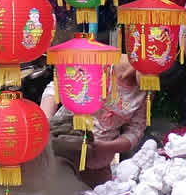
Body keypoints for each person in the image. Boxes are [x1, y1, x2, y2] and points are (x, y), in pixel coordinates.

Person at [40, 57, 146, 187]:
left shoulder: (146, 90)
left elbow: (135, 131)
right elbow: (55, 88)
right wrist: (45, 125)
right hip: (60, 154)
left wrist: (104, 147)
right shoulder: (98, 60)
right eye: (156, 73)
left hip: (97, 165)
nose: (156, 81)